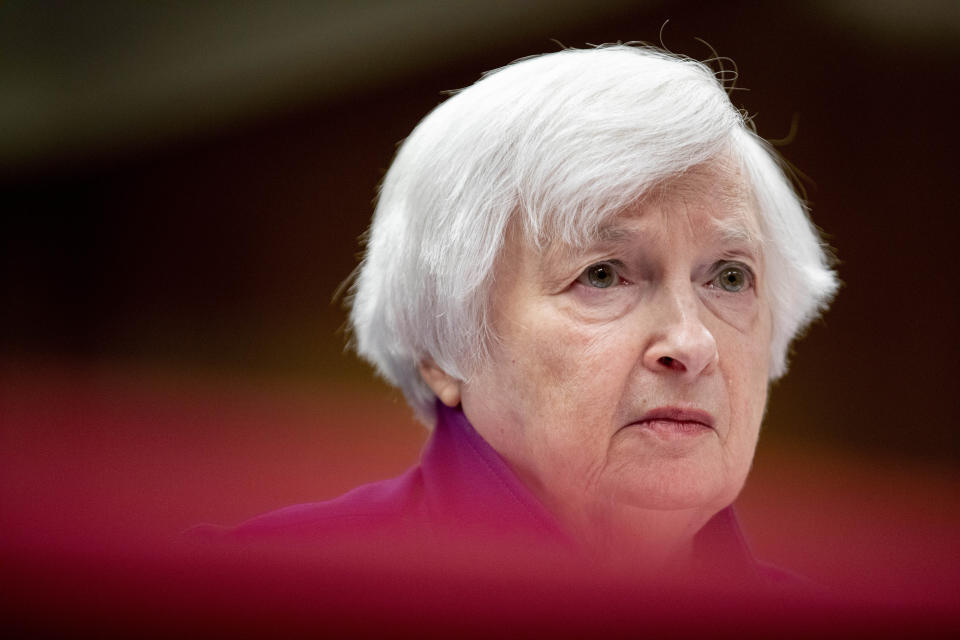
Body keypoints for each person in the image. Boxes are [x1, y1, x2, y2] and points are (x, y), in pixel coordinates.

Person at [220, 44, 838, 588]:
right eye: (602, 274)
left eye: (730, 277)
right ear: (443, 348)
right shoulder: (250, 593)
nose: (691, 342)